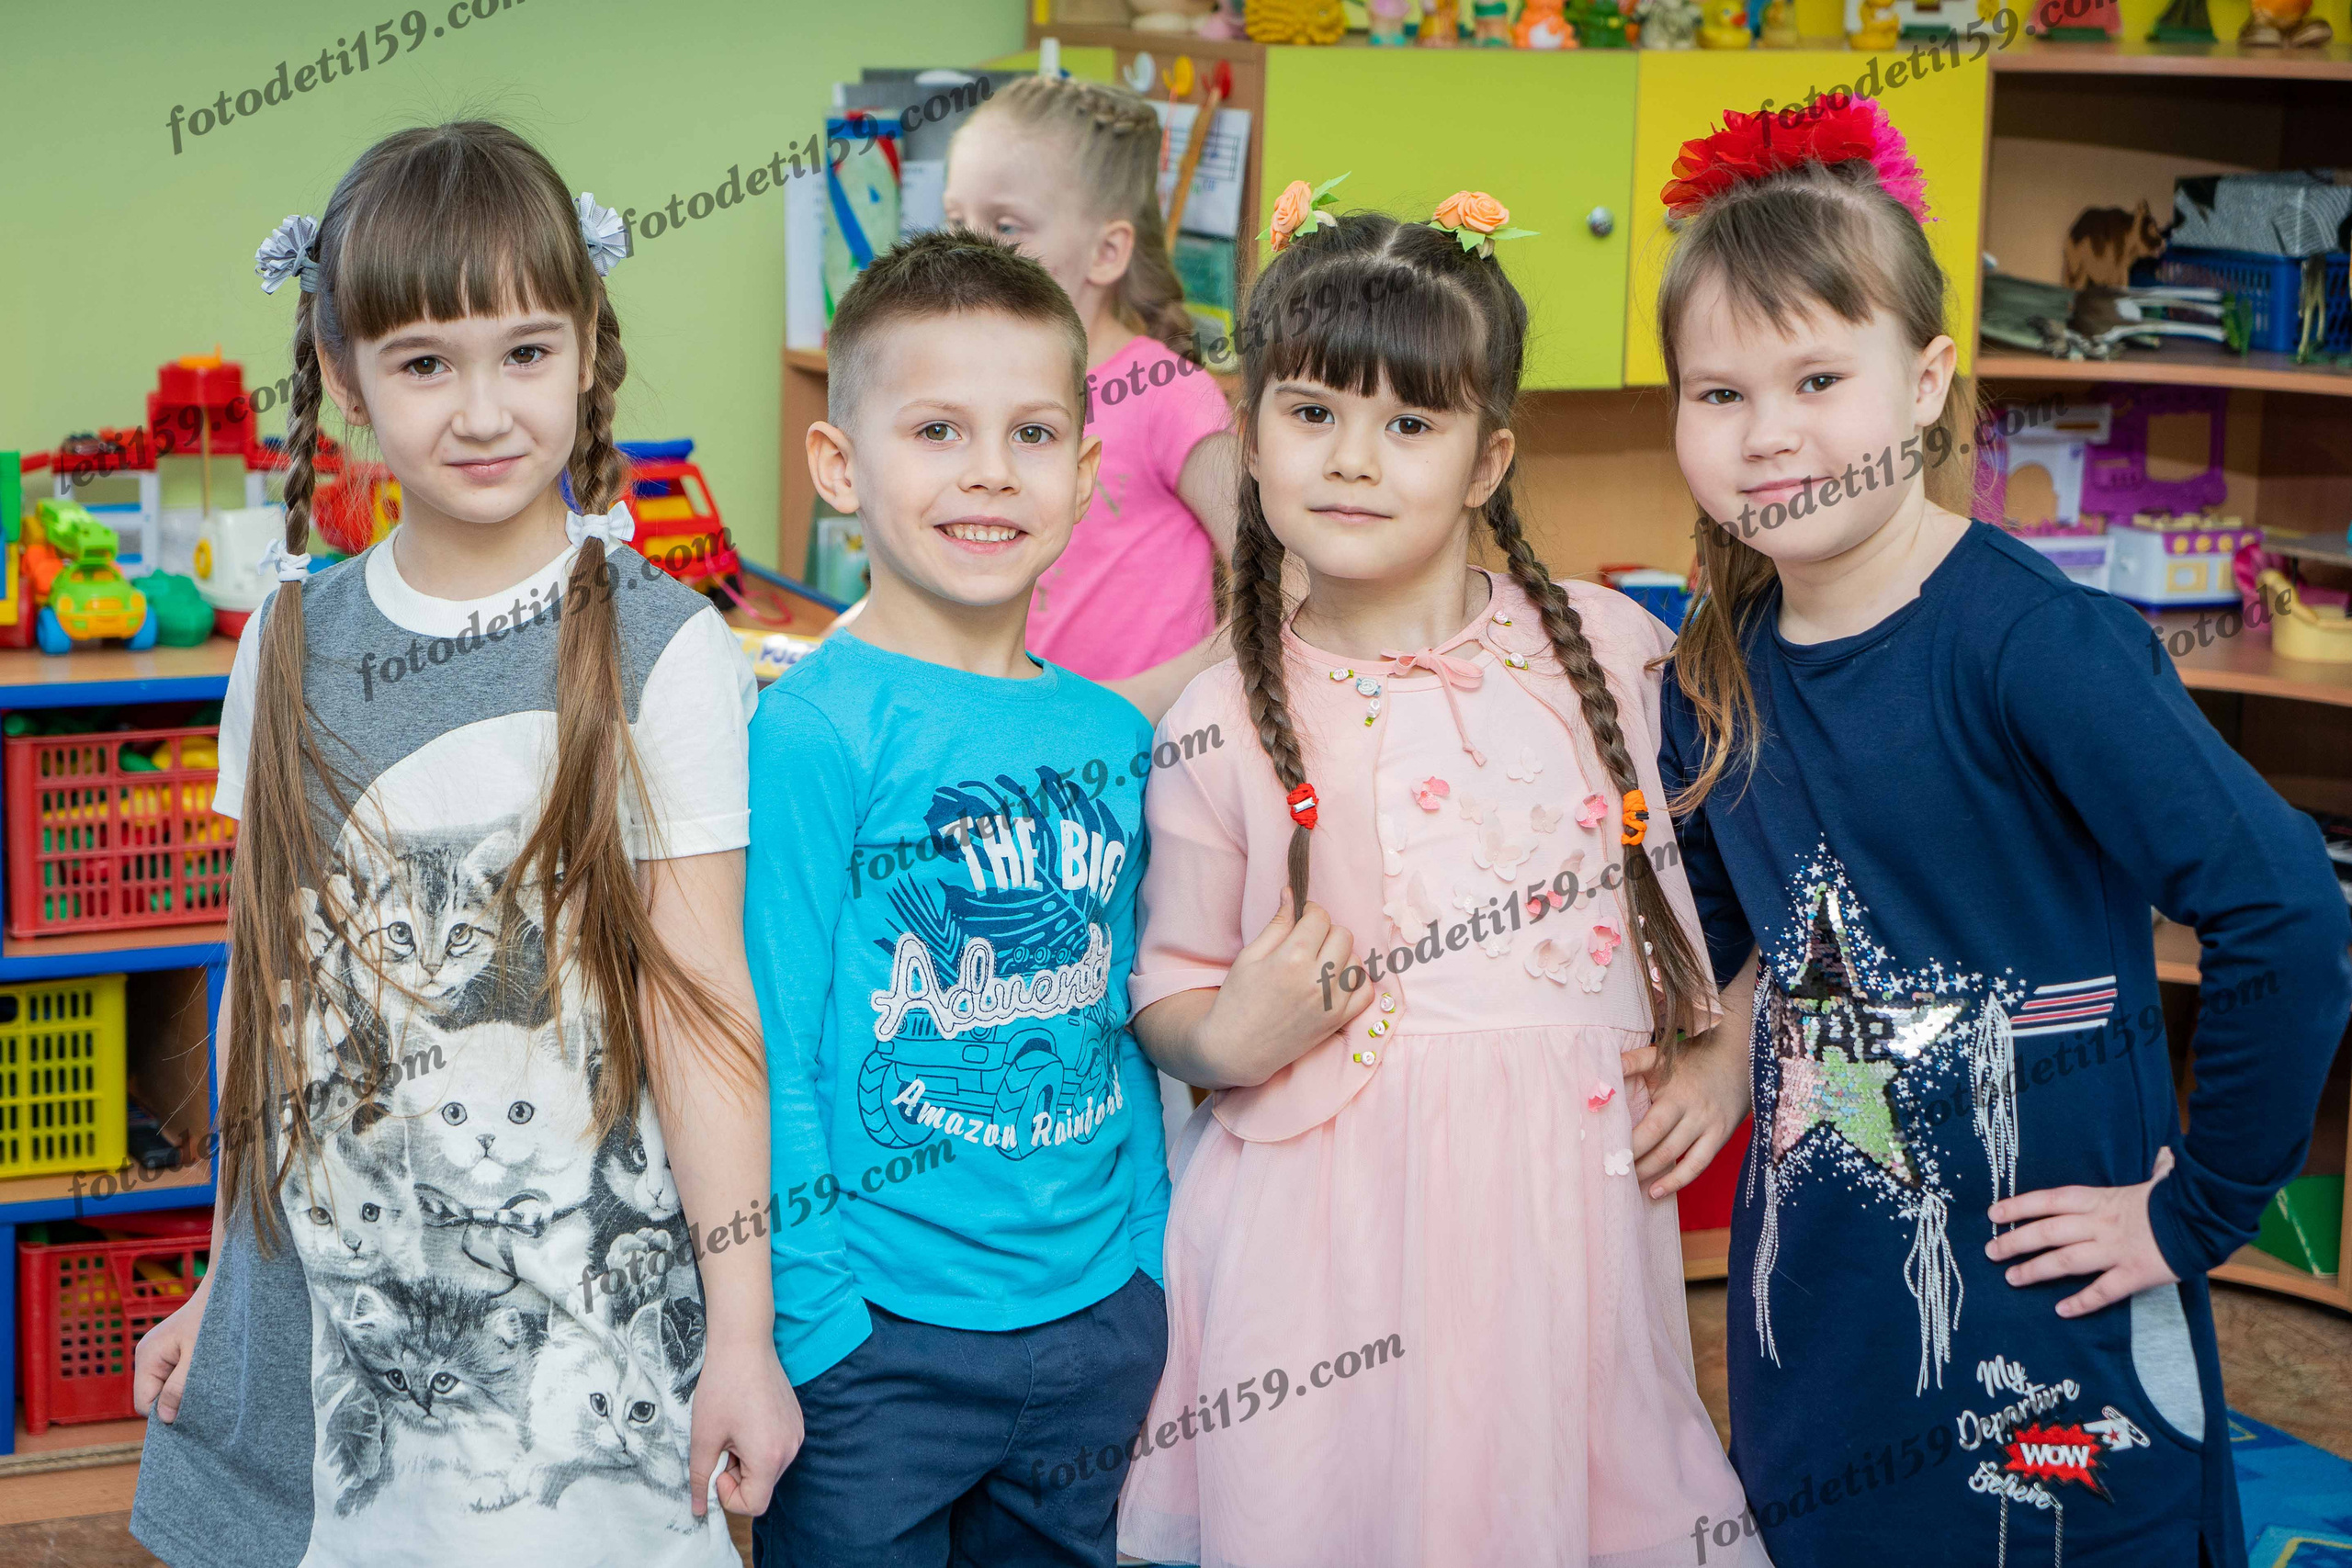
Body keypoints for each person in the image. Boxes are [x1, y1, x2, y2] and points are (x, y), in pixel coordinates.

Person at [1643, 96, 2352, 1568]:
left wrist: (2200, 1209)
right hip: (1830, 1308)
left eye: (1819, 377)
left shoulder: (2042, 647)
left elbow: (2286, 902)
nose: (1770, 434)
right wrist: (1715, 1028)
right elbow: (1725, 898)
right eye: (1720, 394)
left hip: (2058, 1301)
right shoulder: (1712, 657)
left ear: (1926, 384)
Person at [126, 122, 797, 1568]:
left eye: (526, 351)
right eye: (427, 361)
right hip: (318, 1334)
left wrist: (742, 1330)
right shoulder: (289, 639)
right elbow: (261, 983)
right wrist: (219, 1275)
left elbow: (705, 1014)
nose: (483, 408)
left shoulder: (662, 646)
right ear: (349, 373)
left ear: (586, 350)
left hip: (564, 1337)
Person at [1115, 196, 1766, 1568]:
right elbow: (1164, 988)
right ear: (1250, 432)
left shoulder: (1616, 654)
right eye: (1310, 413)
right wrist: (1231, 1031)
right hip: (1320, 1244)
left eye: (1410, 423)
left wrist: (1720, 1056)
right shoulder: (1218, 713)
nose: (1354, 459)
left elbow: (1744, 894)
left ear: (1488, 461)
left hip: (1563, 1228)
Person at [745, 229, 1171, 1568]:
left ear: (1086, 472)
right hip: (879, 1343)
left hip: (1099, 1321)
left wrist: (1149, 1268)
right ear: (840, 464)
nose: (990, 470)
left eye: (1033, 432)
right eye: (937, 428)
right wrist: (814, 1319)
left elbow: (1120, 1017)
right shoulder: (814, 727)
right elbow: (775, 1039)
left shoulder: (1111, 731)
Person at [936, 73, 1239, 723]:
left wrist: (1128, 708)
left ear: (1106, 252)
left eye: (1006, 223)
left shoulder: (1170, 395)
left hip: (1135, 770)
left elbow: (1279, 585)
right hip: (1003, 744)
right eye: (956, 220)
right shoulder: (967, 394)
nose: (968, 250)